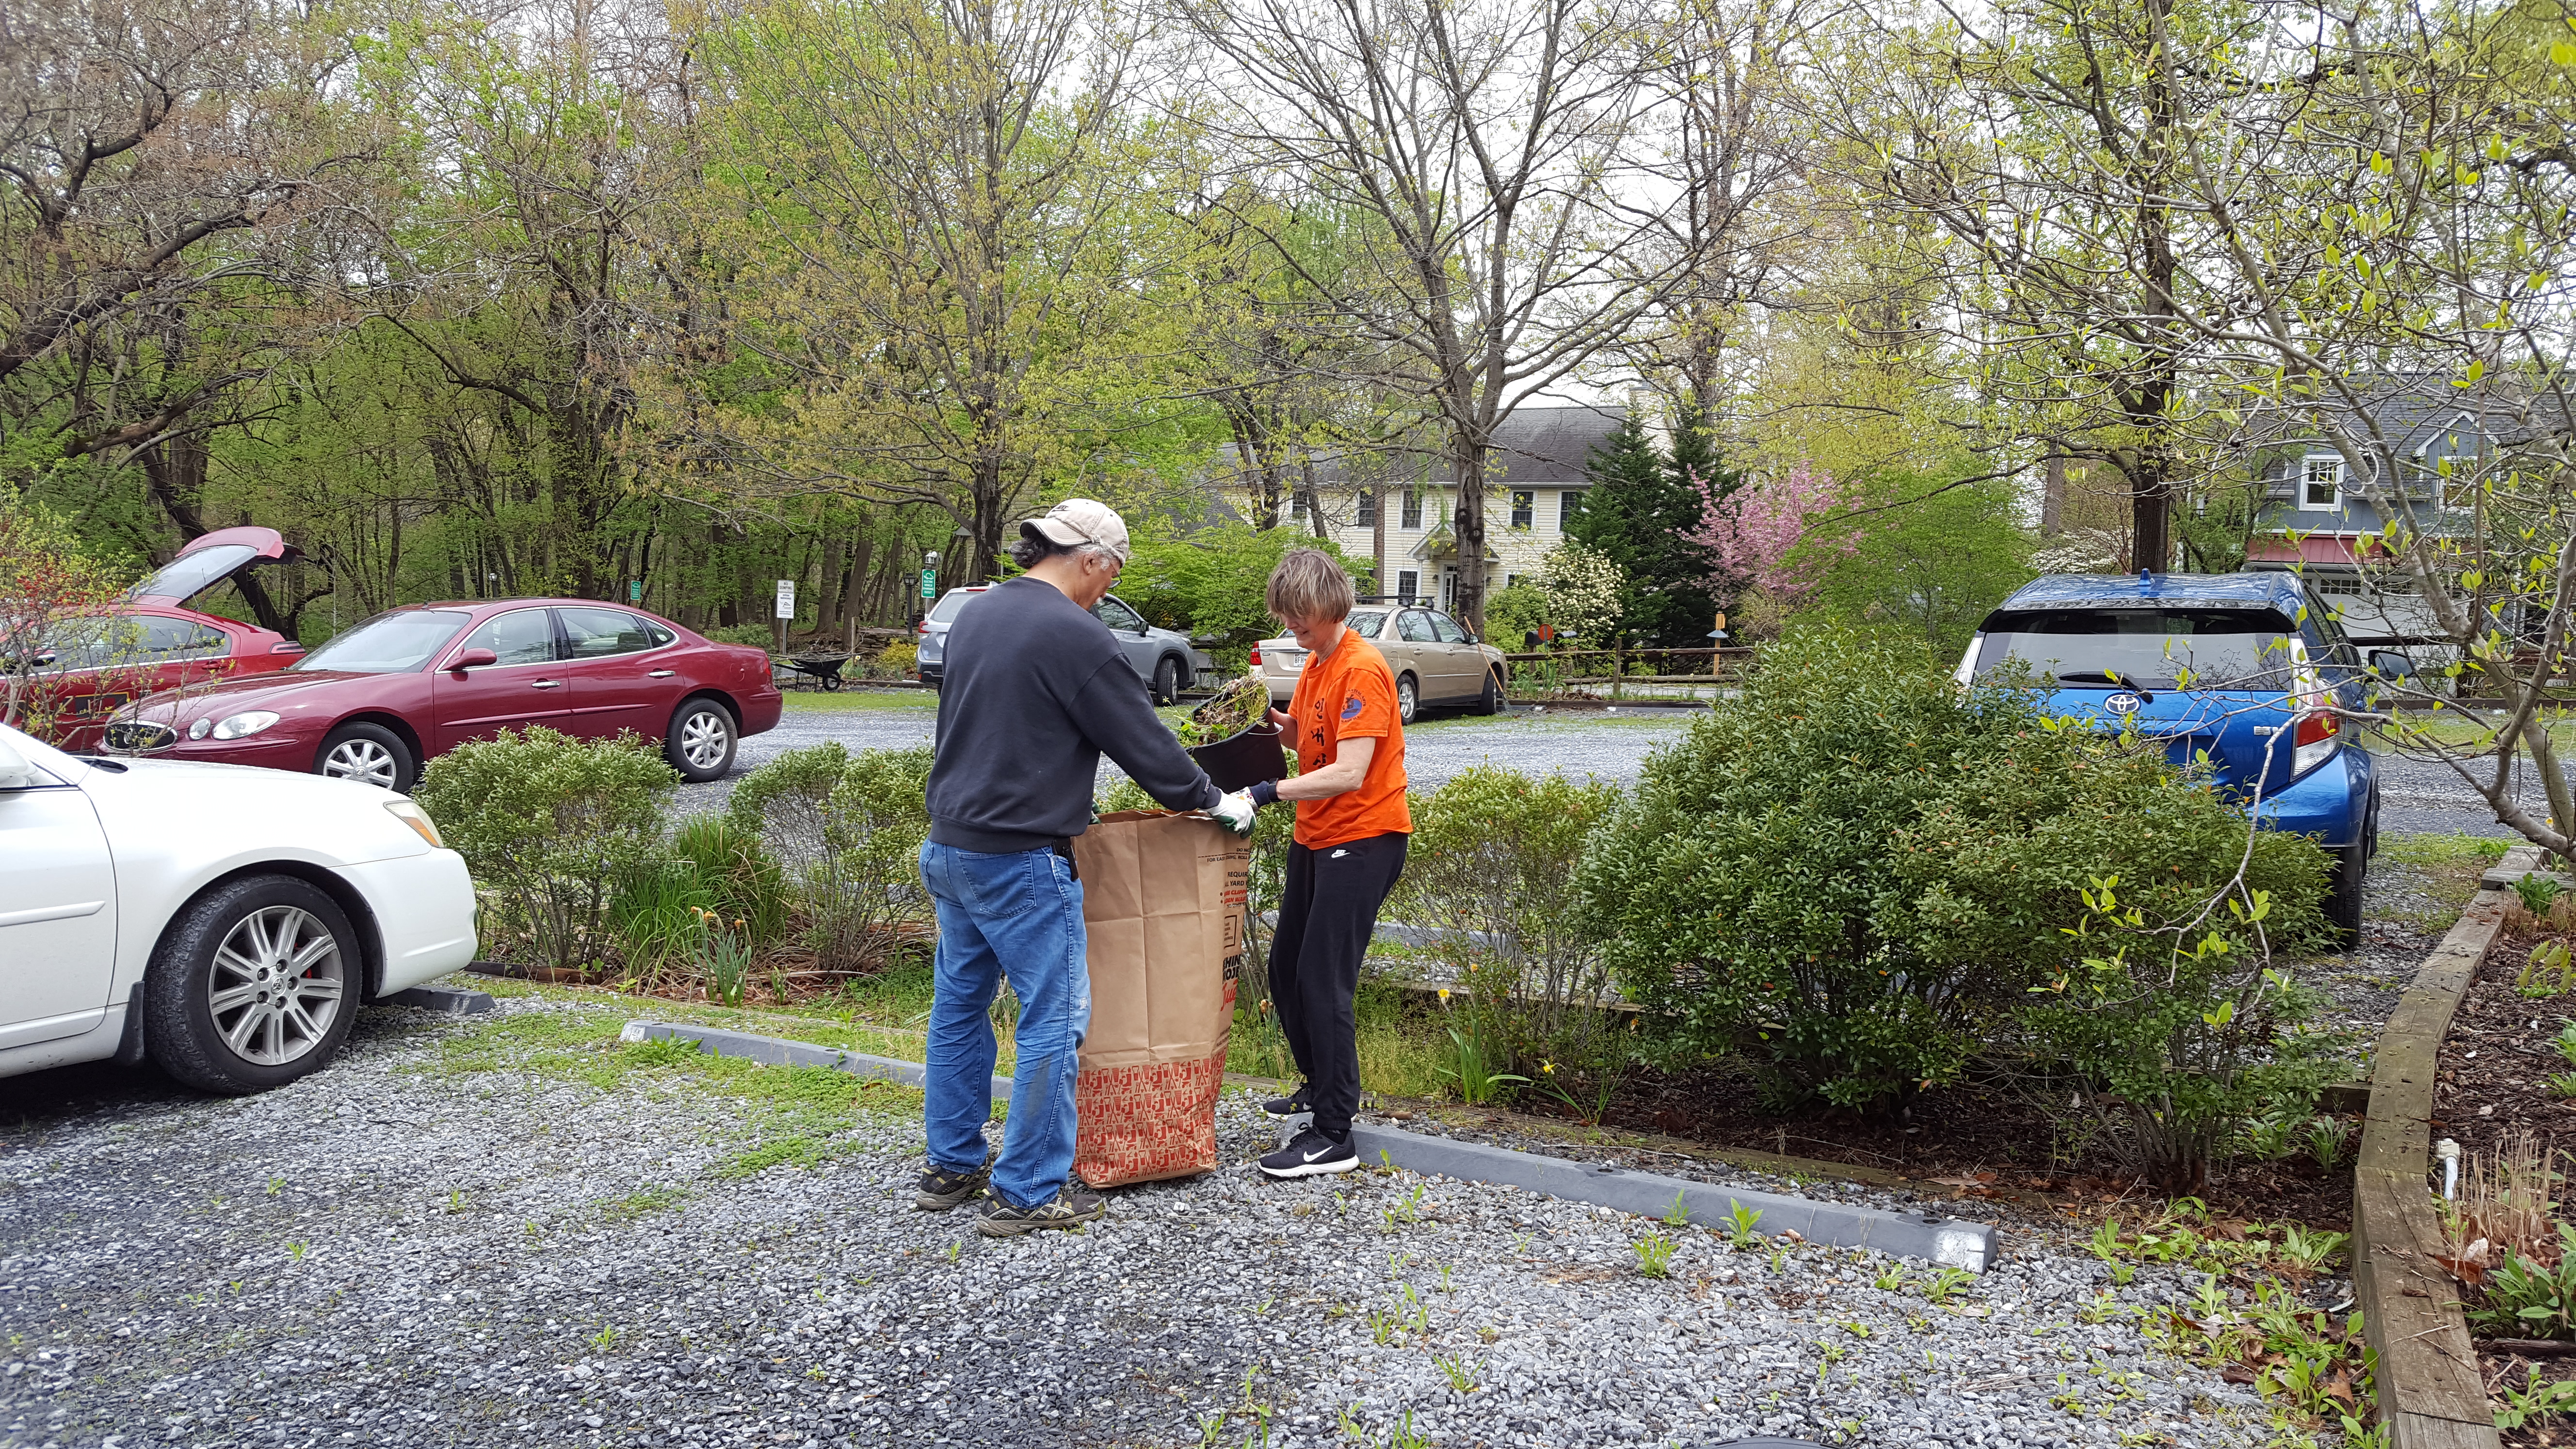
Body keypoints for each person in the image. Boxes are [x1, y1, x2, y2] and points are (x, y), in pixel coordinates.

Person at [914, 499, 1256, 1236]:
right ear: (1092, 559)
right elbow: (1145, 746)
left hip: (949, 847)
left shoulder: (976, 614)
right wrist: (1216, 800)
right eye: (1114, 571)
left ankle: (950, 1166)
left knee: (960, 1007)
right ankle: (1031, 1192)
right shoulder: (1076, 635)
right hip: (1021, 860)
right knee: (1052, 1019)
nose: (1110, 586)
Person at [1242, 549, 1411, 1179]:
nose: (1295, 633)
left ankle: (1334, 1132)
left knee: (1323, 978)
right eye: (1288, 622)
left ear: (1329, 608)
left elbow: (1349, 770)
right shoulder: (1317, 665)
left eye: (1302, 623)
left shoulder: (1363, 670)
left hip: (1365, 839)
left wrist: (1265, 793)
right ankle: (1317, 1085)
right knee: (1287, 967)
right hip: (1318, 836)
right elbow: (1310, 741)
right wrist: (1266, 726)